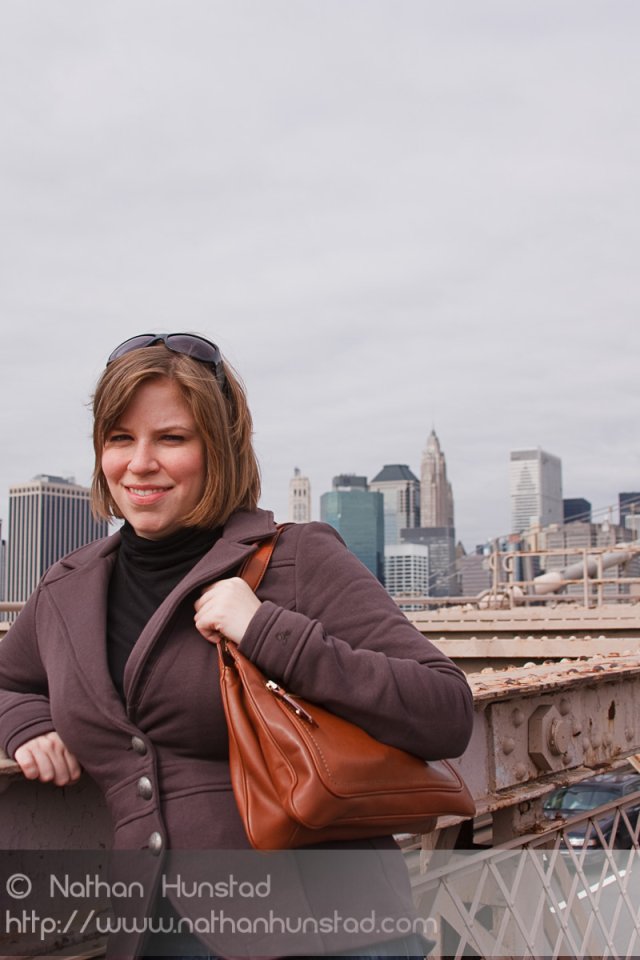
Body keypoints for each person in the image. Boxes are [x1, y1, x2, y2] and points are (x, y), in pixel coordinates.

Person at [0, 332, 474, 959]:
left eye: (172, 438)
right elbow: (7, 679)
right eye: (119, 438)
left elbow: (445, 710)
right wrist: (26, 724)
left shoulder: (298, 558)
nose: (139, 463)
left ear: (219, 448)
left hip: (332, 936)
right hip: (152, 934)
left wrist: (268, 632)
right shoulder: (68, 590)